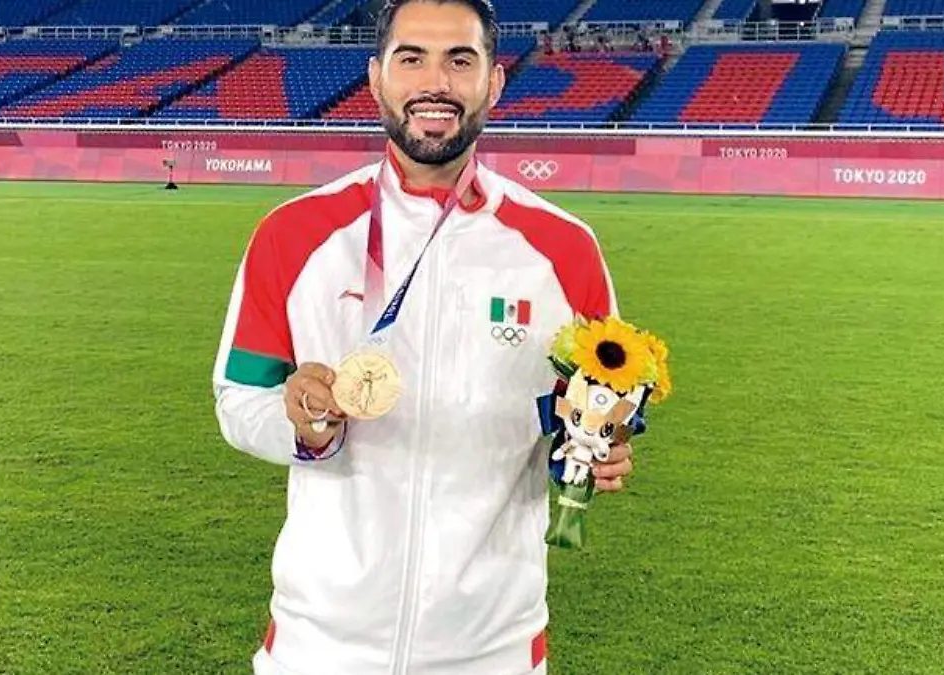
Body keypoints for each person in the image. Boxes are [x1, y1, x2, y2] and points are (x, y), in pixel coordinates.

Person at [211, 1, 634, 673]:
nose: (435, 81)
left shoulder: (563, 250)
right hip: (318, 646)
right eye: (412, 58)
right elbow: (239, 398)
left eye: (460, 60)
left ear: (494, 82)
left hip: (491, 649)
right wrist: (302, 424)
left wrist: (596, 449)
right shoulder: (292, 235)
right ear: (377, 77)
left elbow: (588, 414)